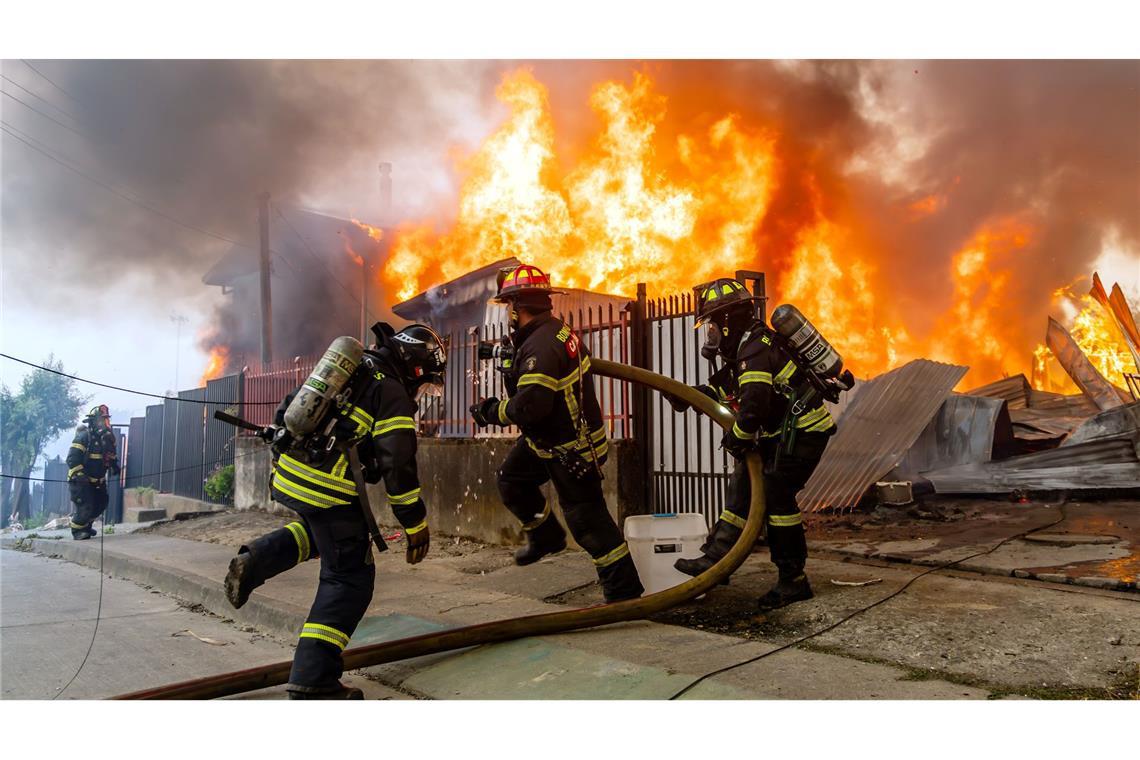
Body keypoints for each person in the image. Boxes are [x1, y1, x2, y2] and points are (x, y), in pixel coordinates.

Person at [223, 323, 446, 700]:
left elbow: (290, 405)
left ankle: (256, 561)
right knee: (349, 579)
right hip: (327, 487)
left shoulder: (351, 368)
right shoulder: (391, 391)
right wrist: (415, 523)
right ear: (415, 367)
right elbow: (398, 465)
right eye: (424, 383)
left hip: (290, 474)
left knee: (325, 534)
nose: (421, 392)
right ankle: (314, 680)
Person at [470, 264, 643, 603]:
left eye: (509, 307)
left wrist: (491, 411)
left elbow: (531, 407)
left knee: (588, 523)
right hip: (544, 441)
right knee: (512, 479)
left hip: (571, 449)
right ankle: (546, 536)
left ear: (518, 307)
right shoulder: (554, 332)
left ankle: (625, 596)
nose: (508, 314)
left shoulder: (541, 346)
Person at [669, 278, 836, 610]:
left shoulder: (755, 347)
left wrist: (738, 438)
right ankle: (717, 560)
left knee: (776, 497)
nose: (710, 333)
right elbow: (727, 389)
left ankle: (793, 580)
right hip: (782, 434)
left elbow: (754, 406)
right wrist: (687, 396)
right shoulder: (746, 345)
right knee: (743, 483)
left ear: (728, 321)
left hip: (804, 432)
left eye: (712, 324)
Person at [66, 404, 119, 540]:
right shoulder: (84, 437)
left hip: (98, 481)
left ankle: (86, 527)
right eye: (102, 420)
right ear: (93, 421)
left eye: (106, 419)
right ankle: (77, 531)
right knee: (85, 505)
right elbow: (72, 459)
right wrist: (81, 475)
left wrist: (114, 466)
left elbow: (110, 455)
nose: (105, 423)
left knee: (100, 503)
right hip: (80, 481)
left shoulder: (106, 440)